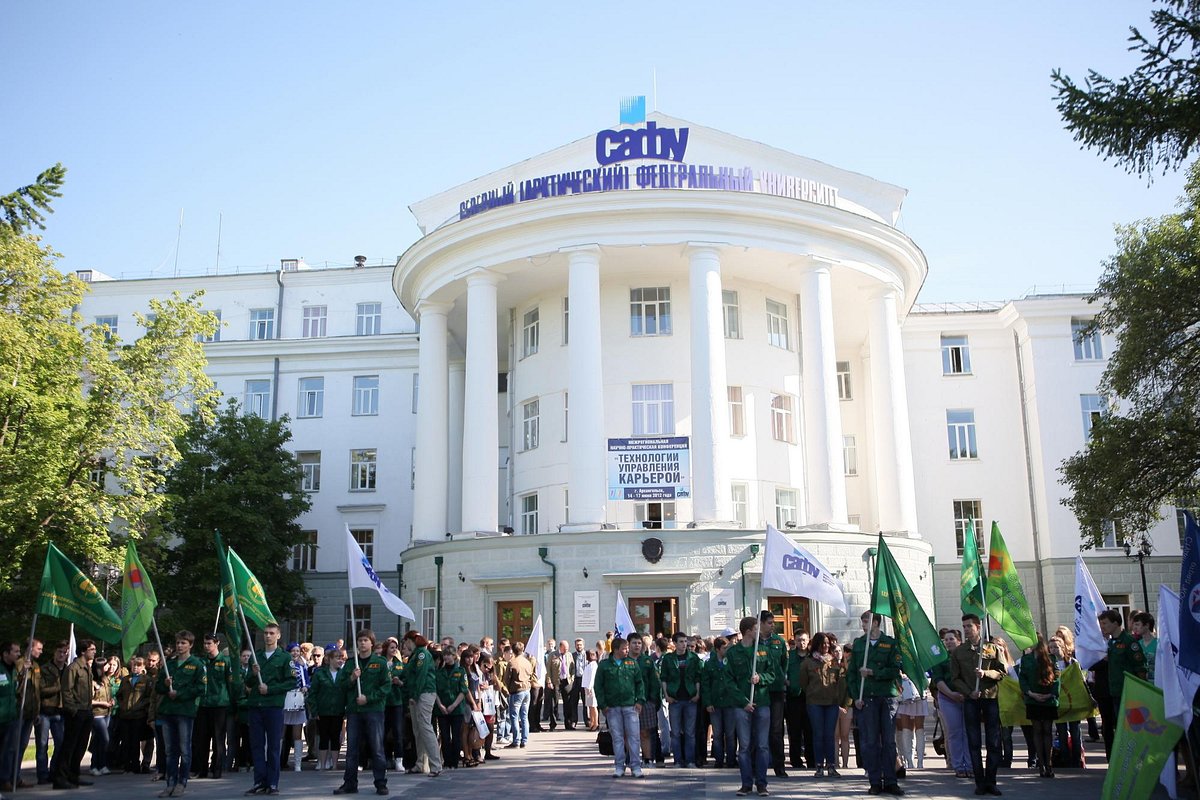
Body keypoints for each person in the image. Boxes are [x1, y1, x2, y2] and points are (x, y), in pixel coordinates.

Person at [847, 612, 903, 797]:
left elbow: (895, 670)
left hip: (887, 696)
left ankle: (891, 780)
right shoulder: (859, 644)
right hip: (867, 698)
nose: (863, 625)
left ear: (876, 623)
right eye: (862, 621)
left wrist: (873, 672)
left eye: (866, 621)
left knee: (888, 741)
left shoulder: (890, 643)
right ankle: (874, 781)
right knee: (870, 742)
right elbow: (852, 674)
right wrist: (856, 697)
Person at [950, 613, 1004, 797]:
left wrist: (986, 674)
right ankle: (979, 782)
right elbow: (955, 678)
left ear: (978, 627)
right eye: (964, 626)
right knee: (974, 742)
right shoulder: (959, 651)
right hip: (971, 699)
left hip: (990, 698)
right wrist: (967, 691)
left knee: (993, 741)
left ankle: (992, 781)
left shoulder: (991, 648)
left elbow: (1002, 672)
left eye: (969, 626)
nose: (966, 630)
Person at [334, 629, 389, 796]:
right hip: (354, 711)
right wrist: (351, 678)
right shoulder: (351, 664)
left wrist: (368, 698)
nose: (362, 643)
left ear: (372, 643)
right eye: (360, 641)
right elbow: (341, 686)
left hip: (373, 710)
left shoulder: (380, 663)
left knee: (377, 747)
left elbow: (386, 687)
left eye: (365, 640)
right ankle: (350, 782)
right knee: (352, 749)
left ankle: (380, 783)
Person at [155, 630, 207, 798]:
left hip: (185, 711)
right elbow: (158, 688)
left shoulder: (197, 664)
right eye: (178, 642)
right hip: (168, 711)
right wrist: (165, 684)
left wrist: (180, 694)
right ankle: (170, 783)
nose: (179, 646)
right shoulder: (169, 664)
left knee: (184, 749)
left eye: (183, 643)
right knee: (170, 750)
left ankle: (181, 782)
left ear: (190, 645)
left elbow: (201, 688)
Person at [242, 622, 293, 796]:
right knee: (256, 745)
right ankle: (259, 781)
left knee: (273, 746)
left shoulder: (284, 657)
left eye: (271, 633)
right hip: (256, 705)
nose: (268, 636)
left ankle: (272, 782)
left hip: (273, 706)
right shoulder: (256, 657)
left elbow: (292, 681)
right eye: (265, 633)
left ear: (278, 635)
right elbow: (247, 682)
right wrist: (253, 674)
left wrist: (270, 689)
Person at [728, 615, 775, 797]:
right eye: (756, 628)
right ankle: (746, 784)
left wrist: (760, 678)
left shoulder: (763, 650)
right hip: (742, 705)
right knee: (745, 746)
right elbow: (729, 682)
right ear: (748, 631)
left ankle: (762, 784)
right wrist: (743, 702)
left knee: (763, 745)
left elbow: (773, 674)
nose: (759, 631)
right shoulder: (733, 653)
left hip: (762, 702)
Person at [594, 636, 646, 779]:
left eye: (627, 648)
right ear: (616, 649)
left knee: (634, 737)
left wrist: (640, 701)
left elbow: (639, 683)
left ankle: (636, 767)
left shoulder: (631, 663)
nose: (627, 650)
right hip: (612, 707)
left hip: (630, 706)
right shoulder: (604, 665)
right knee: (617, 738)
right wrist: (602, 705)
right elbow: (598, 686)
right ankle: (619, 766)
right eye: (624, 648)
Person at [797, 632, 845, 778]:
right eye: (822, 643)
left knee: (829, 735)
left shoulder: (835, 662)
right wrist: (813, 692)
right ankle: (819, 766)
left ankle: (831, 765)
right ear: (816, 644)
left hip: (831, 702)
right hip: (814, 703)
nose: (825, 646)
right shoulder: (808, 662)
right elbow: (803, 683)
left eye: (827, 643)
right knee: (817, 734)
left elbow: (841, 681)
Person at [53, 639, 96, 790]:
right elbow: (66, 691)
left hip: (87, 711)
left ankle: (73, 775)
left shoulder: (87, 668)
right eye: (92, 649)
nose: (94, 652)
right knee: (69, 746)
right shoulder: (73, 668)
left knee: (81, 746)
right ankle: (60, 778)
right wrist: (73, 710)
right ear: (83, 651)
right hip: (76, 712)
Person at [1098, 610, 1146, 736]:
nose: (1102, 626)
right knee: (1121, 728)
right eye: (1101, 623)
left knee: (1132, 729)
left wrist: (1140, 692)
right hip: (1115, 692)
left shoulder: (1129, 642)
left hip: (1129, 693)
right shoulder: (1111, 643)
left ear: (1115, 623)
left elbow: (1140, 668)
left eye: (1105, 623)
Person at [1018, 633, 1060, 778]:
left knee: (1047, 730)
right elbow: (1022, 678)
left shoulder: (1051, 658)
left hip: (1048, 699)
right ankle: (1040, 765)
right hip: (1032, 699)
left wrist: (1051, 694)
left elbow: (1057, 679)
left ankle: (1049, 764)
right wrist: (1030, 693)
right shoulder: (1026, 659)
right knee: (1037, 730)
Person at [932, 629, 972, 778]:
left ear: (959, 640)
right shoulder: (940, 658)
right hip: (948, 698)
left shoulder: (966, 656)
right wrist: (951, 694)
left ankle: (969, 764)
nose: (948, 642)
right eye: (946, 640)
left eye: (951, 639)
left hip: (967, 697)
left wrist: (966, 693)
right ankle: (958, 765)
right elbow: (938, 679)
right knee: (954, 732)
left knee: (967, 731)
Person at [401, 631, 441, 777]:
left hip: (423, 693)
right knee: (418, 730)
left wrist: (415, 695)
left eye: (405, 641)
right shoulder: (415, 654)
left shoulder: (422, 654)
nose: (404, 645)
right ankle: (421, 763)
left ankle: (435, 765)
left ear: (409, 641)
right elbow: (410, 675)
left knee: (425, 728)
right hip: (418, 694)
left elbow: (421, 675)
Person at [660, 631, 702, 768]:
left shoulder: (693, 658)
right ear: (675, 643)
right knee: (676, 732)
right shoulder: (668, 659)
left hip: (690, 699)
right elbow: (664, 678)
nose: (684, 645)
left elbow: (698, 677)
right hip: (675, 699)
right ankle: (678, 760)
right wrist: (666, 695)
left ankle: (690, 760)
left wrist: (697, 694)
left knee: (690, 732)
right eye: (681, 642)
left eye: (685, 642)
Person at [193, 634, 230, 780]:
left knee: (218, 739)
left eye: (209, 643)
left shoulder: (225, 661)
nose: (206, 646)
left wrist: (230, 701)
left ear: (217, 643)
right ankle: (202, 770)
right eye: (205, 643)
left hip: (219, 704)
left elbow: (231, 683)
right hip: (203, 704)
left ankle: (217, 769)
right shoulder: (201, 662)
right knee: (202, 739)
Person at [757, 610, 790, 779]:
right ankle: (760, 765)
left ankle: (779, 766)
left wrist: (780, 677)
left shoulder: (779, 641)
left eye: (773, 623)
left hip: (776, 690)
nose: (772, 625)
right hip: (759, 690)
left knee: (776, 730)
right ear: (761, 623)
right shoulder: (754, 642)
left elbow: (785, 663)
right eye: (769, 623)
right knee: (759, 729)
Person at [306, 645, 344, 772]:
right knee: (323, 737)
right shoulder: (320, 674)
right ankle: (322, 763)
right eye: (337, 657)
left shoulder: (343, 674)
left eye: (341, 658)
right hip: (323, 710)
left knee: (335, 738)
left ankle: (334, 764)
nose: (340, 660)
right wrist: (314, 710)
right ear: (330, 659)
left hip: (337, 710)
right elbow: (313, 693)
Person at [1048, 634, 1082, 768]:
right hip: (1059, 703)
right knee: (1061, 732)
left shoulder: (1072, 662)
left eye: (1056, 647)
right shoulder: (1049, 665)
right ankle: (1065, 759)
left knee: (1075, 732)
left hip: (1072, 701)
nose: (1053, 650)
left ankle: (1076, 760)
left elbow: (1080, 680)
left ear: (1063, 647)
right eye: (1051, 647)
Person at [702, 636, 737, 769]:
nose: (726, 650)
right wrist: (708, 702)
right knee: (717, 734)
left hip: (729, 702)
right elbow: (706, 685)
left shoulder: (731, 662)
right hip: (715, 703)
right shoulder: (709, 664)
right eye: (724, 648)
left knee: (730, 733)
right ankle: (718, 759)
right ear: (717, 649)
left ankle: (731, 759)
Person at [116, 657, 152, 775]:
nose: (135, 667)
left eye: (138, 665)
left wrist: (141, 705)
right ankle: (127, 766)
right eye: (134, 665)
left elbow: (149, 696)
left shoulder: (146, 680)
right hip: (125, 714)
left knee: (135, 741)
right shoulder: (126, 679)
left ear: (143, 667)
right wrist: (122, 705)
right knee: (126, 741)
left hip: (138, 715)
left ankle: (135, 765)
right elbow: (119, 695)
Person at [433, 647, 468, 770]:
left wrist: (454, 705)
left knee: (456, 736)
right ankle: (447, 761)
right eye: (445, 655)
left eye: (449, 655)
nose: (446, 657)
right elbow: (435, 690)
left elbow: (463, 690)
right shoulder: (439, 672)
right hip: (442, 709)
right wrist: (440, 705)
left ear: (454, 656)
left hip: (456, 709)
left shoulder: (460, 671)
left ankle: (454, 761)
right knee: (445, 736)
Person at [785, 630, 813, 770]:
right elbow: (782, 671)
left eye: (804, 640)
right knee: (794, 731)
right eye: (798, 640)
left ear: (808, 641)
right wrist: (787, 681)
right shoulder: (789, 657)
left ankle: (811, 760)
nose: (801, 643)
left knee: (810, 731)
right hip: (793, 697)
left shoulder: (813, 657)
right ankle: (796, 760)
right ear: (794, 641)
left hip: (810, 698)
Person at [281, 643, 309, 772]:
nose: (295, 653)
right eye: (293, 651)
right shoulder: (284, 665)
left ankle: (297, 763)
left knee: (297, 734)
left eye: (297, 651)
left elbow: (307, 682)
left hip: (297, 699)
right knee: (281, 732)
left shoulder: (302, 666)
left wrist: (305, 687)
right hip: (286, 699)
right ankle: (277, 760)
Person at [502, 640, 533, 751]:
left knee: (514, 717)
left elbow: (506, 679)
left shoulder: (512, 662)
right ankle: (524, 740)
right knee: (524, 716)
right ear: (522, 650)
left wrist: (509, 689)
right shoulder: (527, 662)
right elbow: (531, 674)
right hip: (526, 690)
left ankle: (516, 741)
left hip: (516, 691)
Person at [87, 656, 114, 777]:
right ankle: (94, 765)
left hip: (106, 713)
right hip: (97, 714)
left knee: (99, 740)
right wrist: (102, 703)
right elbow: (89, 700)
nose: (108, 667)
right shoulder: (92, 681)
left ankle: (101, 765)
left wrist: (111, 701)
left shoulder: (106, 679)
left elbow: (108, 694)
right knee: (104, 739)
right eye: (106, 665)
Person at [895, 670, 928, 770]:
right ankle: (908, 760)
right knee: (905, 727)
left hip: (918, 690)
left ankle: (920, 761)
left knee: (919, 727)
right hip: (904, 692)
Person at [0, 642, 20, 795]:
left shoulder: (14, 670)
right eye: (15, 651)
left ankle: (5, 779)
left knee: (9, 750)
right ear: (5, 654)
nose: (18, 654)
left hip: (11, 716)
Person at [1130, 611, 1157, 682]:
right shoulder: (1137, 644)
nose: (1135, 628)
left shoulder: (1158, 644)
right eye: (1134, 625)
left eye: (1137, 624)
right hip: (1142, 684)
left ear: (1147, 625)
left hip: (1157, 683)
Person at [568, 639, 587, 730]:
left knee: (585, 701)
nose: (579, 646)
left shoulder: (587, 655)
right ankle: (574, 721)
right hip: (575, 680)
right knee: (573, 702)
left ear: (583, 645)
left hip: (585, 680)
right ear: (575, 646)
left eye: (580, 645)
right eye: (577, 645)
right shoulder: (572, 655)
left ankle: (587, 721)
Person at [581, 650, 599, 731]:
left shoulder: (594, 665)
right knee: (590, 706)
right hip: (587, 687)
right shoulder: (589, 664)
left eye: (593, 655)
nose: (591, 656)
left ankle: (596, 723)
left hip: (591, 688)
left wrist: (589, 687)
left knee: (593, 706)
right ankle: (591, 722)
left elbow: (592, 677)